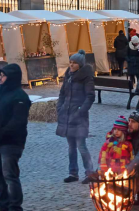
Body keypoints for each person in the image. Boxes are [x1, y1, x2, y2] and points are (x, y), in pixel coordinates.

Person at [0, 63, 31, 211]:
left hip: (11, 142)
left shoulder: (20, 96)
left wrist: (0, 134)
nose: (0, 77)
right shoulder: (0, 92)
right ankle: (4, 203)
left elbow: (17, 122)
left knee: (9, 175)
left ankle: (15, 205)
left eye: (3, 75)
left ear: (11, 77)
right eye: (0, 75)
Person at [57, 50, 97, 184]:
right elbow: (62, 94)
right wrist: (60, 108)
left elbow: (90, 96)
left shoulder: (86, 77)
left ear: (80, 64)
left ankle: (90, 173)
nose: (71, 65)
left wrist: (81, 110)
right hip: (67, 115)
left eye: (74, 63)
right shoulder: (68, 76)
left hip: (79, 117)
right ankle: (73, 173)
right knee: (71, 146)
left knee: (81, 146)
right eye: (70, 62)